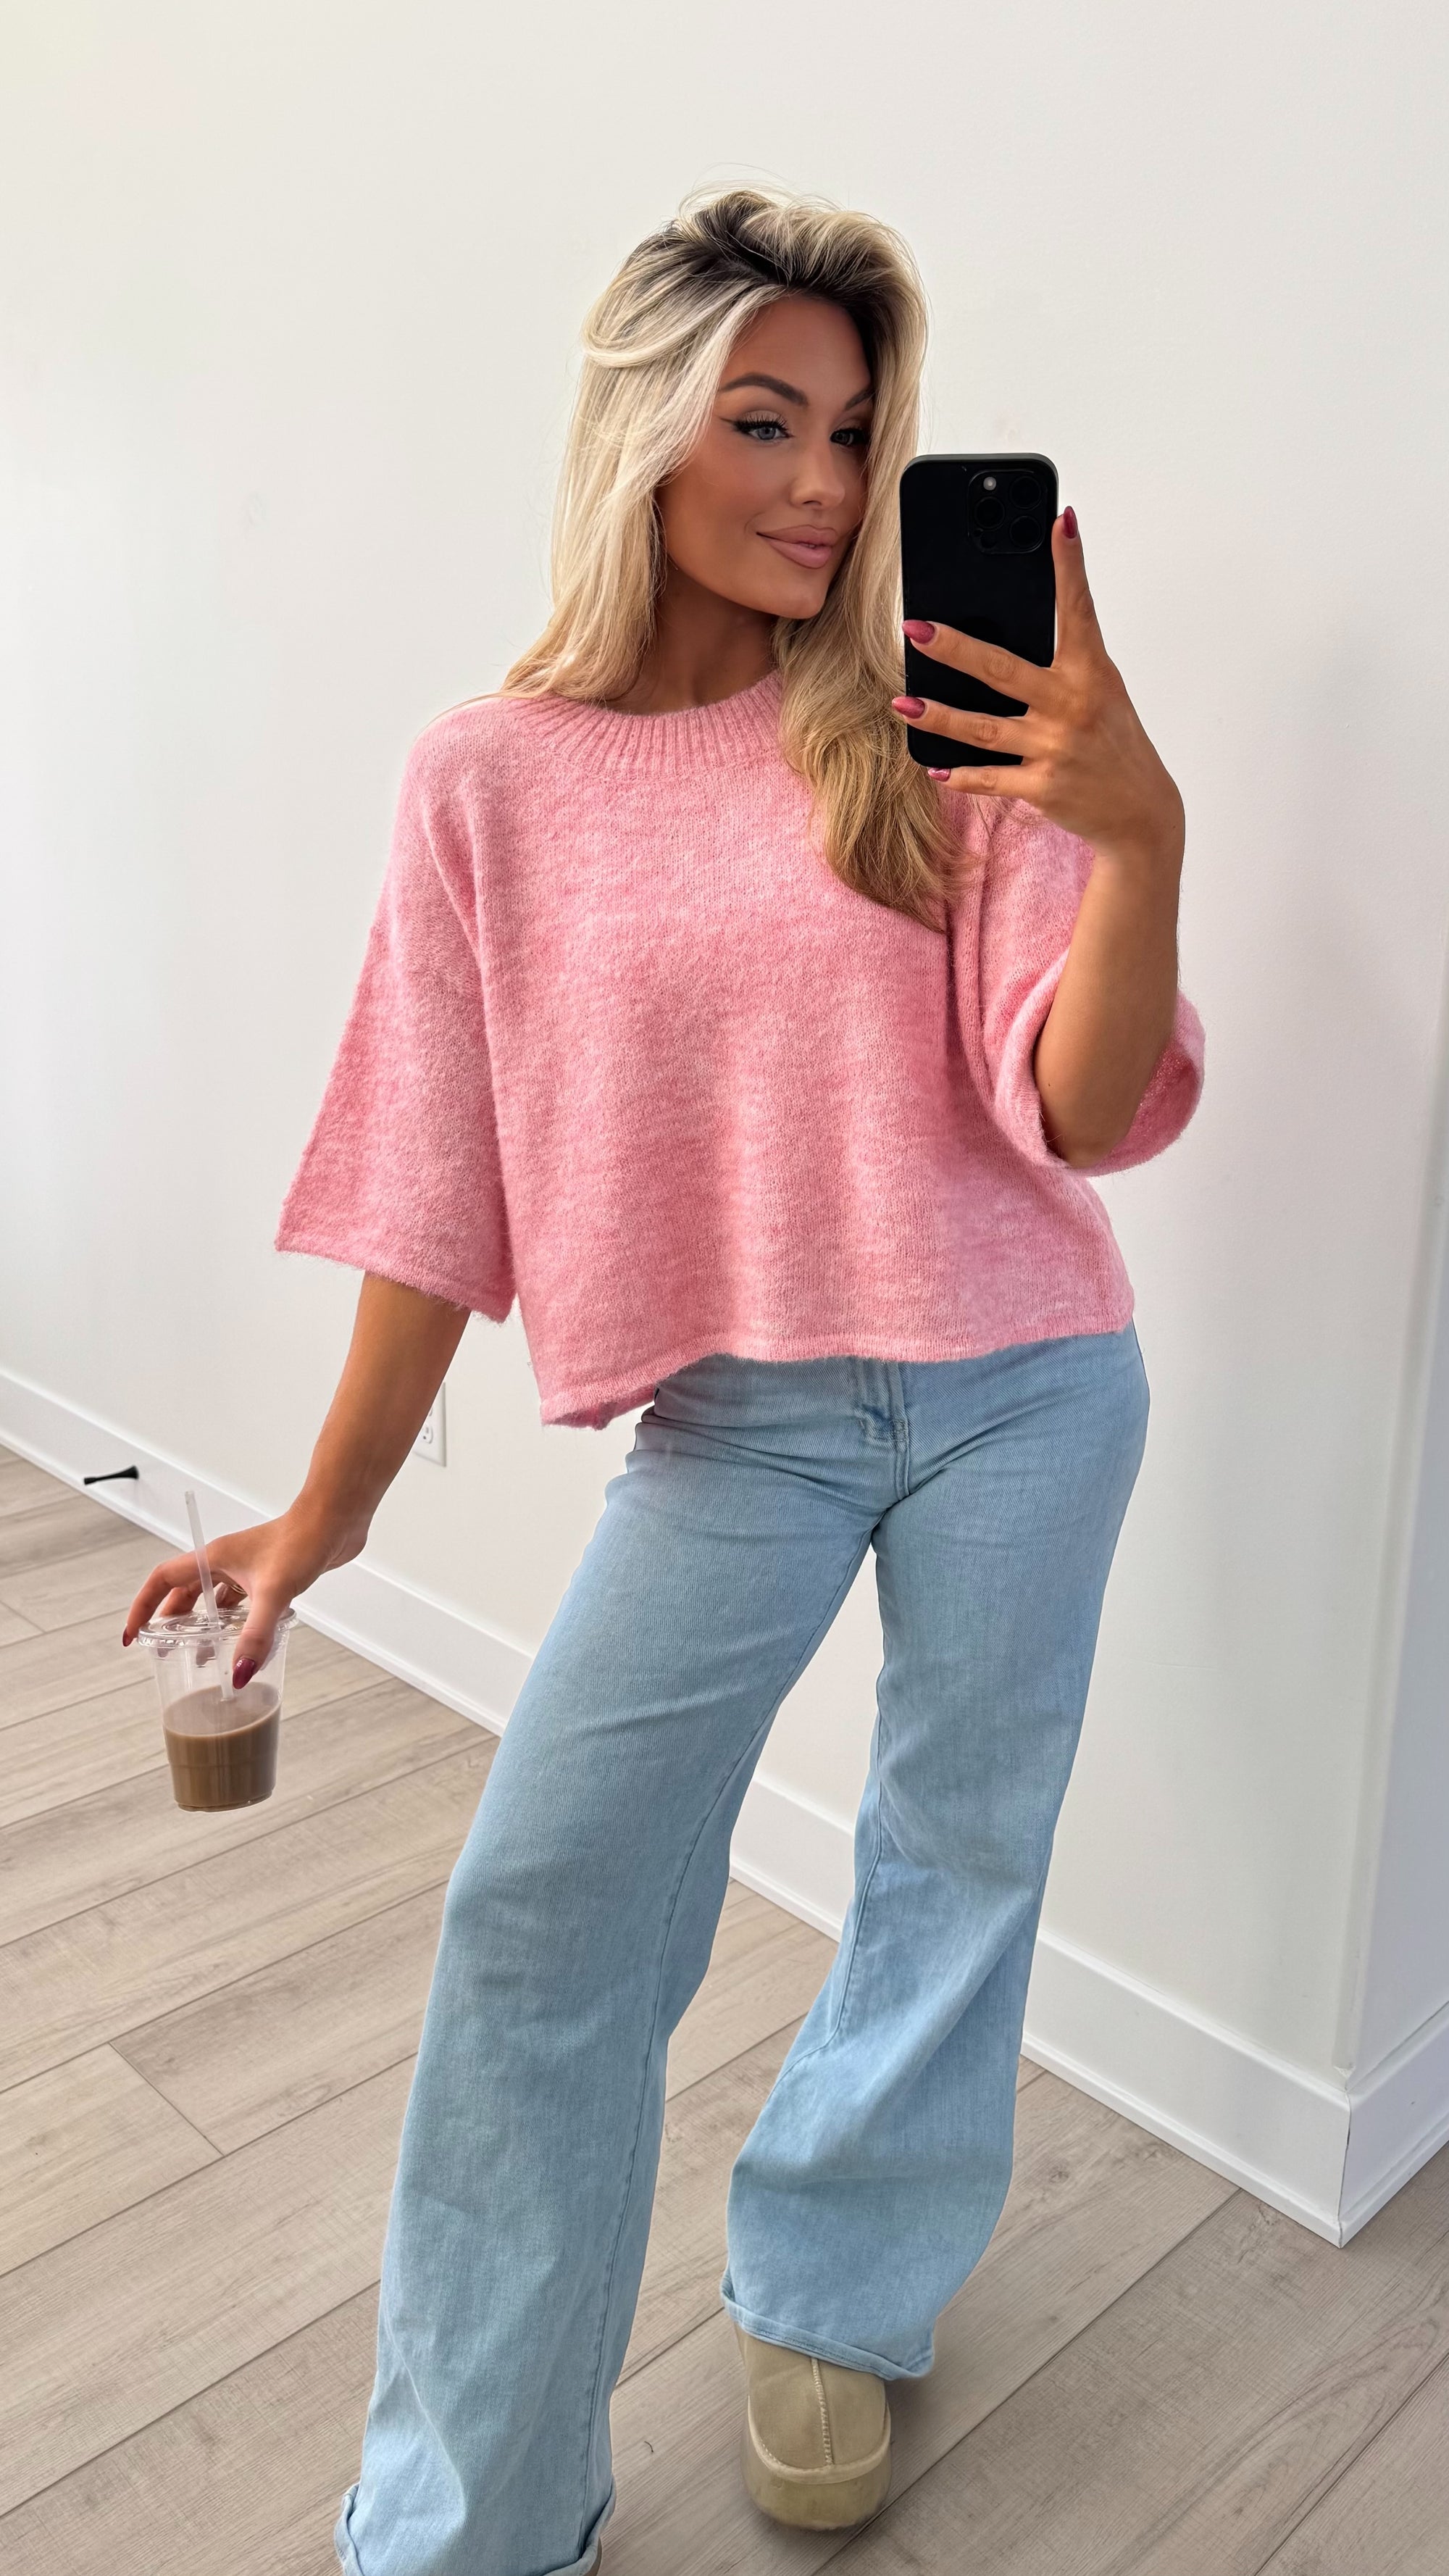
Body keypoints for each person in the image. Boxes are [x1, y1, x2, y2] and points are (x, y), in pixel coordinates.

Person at [125, 186, 1203, 2576]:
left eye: (854, 429)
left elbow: (1086, 1101)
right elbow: (436, 1167)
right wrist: (327, 1508)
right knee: (545, 1924)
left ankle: (837, 2284)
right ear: (643, 431)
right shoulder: (487, 777)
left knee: (956, 1855)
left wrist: (1138, 846)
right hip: (742, 1423)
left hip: (1032, 1380)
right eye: (764, 422)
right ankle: (475, 2514)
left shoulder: (930, 718)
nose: (824, 483)